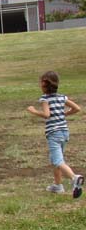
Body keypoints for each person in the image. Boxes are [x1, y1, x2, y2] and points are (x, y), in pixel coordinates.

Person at [26, 70, 83, 198]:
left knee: (58, 161)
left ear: (44, 84)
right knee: (57, 160)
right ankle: (58, 186)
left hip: (54, 134)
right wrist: (65, 113)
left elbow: (47, 115)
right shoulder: (62, 97)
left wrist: (33, 111)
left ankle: (74, 178)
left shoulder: (45, 99)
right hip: (64, 132)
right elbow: (77, 108)